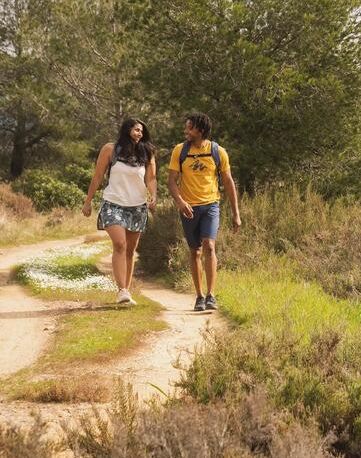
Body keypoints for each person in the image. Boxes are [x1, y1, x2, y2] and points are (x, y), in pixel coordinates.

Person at [167, 112, 241, 312]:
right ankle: (199, 296)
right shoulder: (180, 151)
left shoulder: (218, 152)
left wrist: (236, 213)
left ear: (199, 130)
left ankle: (211, 295)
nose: (186, 131)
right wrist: (180, 201)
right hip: (188, 208)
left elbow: (228, 182)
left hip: (211, 205)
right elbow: (171, 180)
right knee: (195, 251)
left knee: (209, 246)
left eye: (189, 127)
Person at [82, 118, 157, 305]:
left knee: (130, 250)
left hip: (137, 206)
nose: (139, 133)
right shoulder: (110, 149)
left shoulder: (147, 152)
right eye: (136, 129)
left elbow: (151, 178)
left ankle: (126, 292)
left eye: (141, 130)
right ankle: (122, 290)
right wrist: (88, 201)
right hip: (113, 203)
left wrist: (154, 195)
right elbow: (98, 175)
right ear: (127, 129)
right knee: (120, 243)